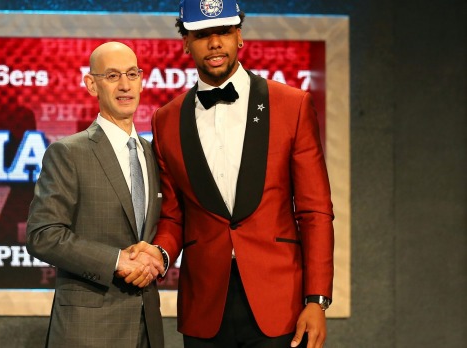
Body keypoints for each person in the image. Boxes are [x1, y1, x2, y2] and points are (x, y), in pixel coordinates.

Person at [131, 0, 335, 347]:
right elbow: (173, 215)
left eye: (223, 32)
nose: (214, 43)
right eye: (202, 34)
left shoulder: (291, 104)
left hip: (280, 303)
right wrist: (160, 254)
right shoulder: (165, 120)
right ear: (185, 41)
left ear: (239, 36)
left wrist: (316, 300)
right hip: (204, 307)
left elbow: (315, 211)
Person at [26, 41, 165, 348]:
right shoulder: (68, 152)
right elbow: (43, 235)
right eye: (113, 76)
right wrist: (117, 260)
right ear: (92, 84)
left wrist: (160, 257)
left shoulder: (154, 154)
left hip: (147, 327)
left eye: (132, 74)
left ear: (143, 80)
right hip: (87, 330)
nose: (125, 85)